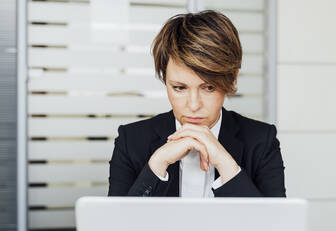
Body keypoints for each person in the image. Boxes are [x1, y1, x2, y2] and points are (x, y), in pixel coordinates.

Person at [108, 10, 286, 197]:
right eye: (179, 88)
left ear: (233, 78)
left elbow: (274, 225)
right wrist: (157, 165)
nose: (193, 105)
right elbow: (117, 225)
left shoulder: (261, 140)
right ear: (164, 79)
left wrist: (226, 163)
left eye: (208, 88)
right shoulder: (131, 141)